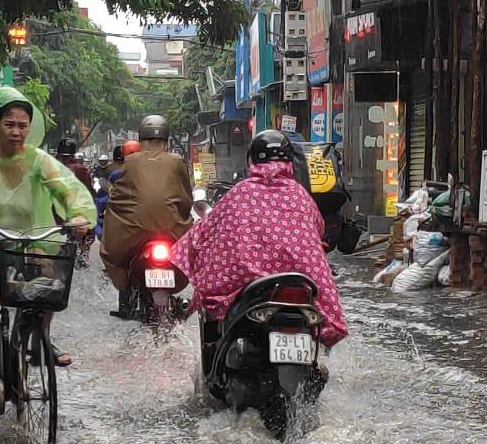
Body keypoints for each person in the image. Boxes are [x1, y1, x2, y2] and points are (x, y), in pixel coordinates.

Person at [0, 86, 96, 435]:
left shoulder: (39, 160)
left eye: (22, 125)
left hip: (25, 247)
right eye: (9, 124)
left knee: (52, 283)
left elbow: (68, 189)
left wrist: (81, 216)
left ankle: (35, 344)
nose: (16, 131)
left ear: (30, 127)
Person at [171, 130, 348, 348]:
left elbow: (205, 230)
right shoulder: (301, 195)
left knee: (211, 301)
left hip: (250, 284)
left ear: (252, 160)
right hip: (299, 281)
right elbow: (318, 229)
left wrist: (186, 251)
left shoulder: (240, 192)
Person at [101, 115, 193, 318]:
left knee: (115, 250)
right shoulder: (177, 161)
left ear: (141, 139)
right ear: (166, 140)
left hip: (135, 231)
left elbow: (117, 197)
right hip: (171, 229)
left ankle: (125, 295)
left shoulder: (131, 161)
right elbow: (186, 198)